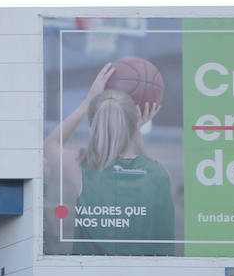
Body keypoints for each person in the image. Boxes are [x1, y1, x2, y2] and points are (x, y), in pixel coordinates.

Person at [43, 62, 175, 256]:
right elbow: (151, 173)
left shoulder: (83, 167)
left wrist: (87, 102)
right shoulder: (157, 173)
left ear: (91, 129)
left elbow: (50, 145)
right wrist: (136, 133)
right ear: (132, 128)